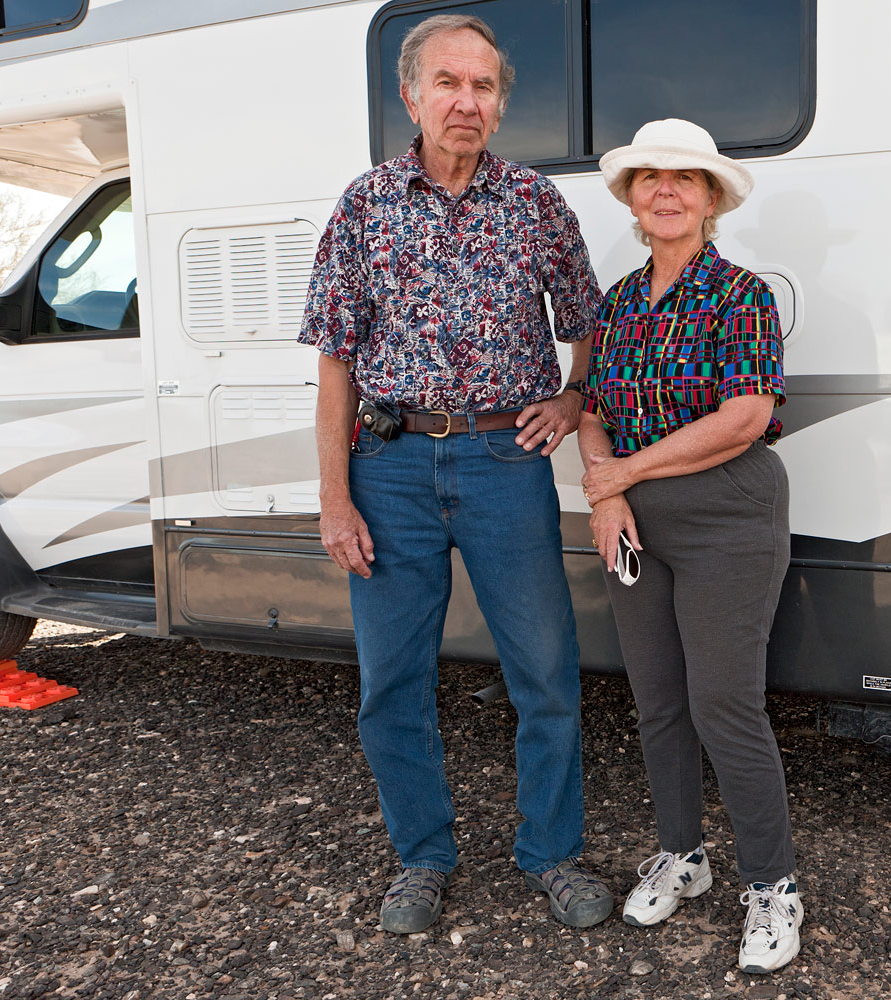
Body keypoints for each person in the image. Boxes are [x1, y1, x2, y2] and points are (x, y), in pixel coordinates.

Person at [298, 14, 612, 934]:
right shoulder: (365, 206)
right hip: (388, 464)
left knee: (545, 671)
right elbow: (334, 362)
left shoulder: (537, 204)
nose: (466, 101)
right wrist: (334, 497)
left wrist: (572, 394)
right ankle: (423, 858)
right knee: (391, 680)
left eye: (483, 87)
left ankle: (550, 852)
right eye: (448, 83)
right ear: (412, 95)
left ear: (501, 104)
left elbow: (588, 314)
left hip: (501, 459)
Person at [577, 119, 803, 974]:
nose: (665, 190)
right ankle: (684, 855)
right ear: (633, 199)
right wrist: (607, 497)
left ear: (710, 199)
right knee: (659, 701)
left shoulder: (741, 294)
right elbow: (592, 410)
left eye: (684, 178)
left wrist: (621, 474)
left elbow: (746, 418)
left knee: (725, 706)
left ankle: (774, 885)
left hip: (726, 516)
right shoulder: (620, 301)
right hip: (635, 520)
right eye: (649, 178)